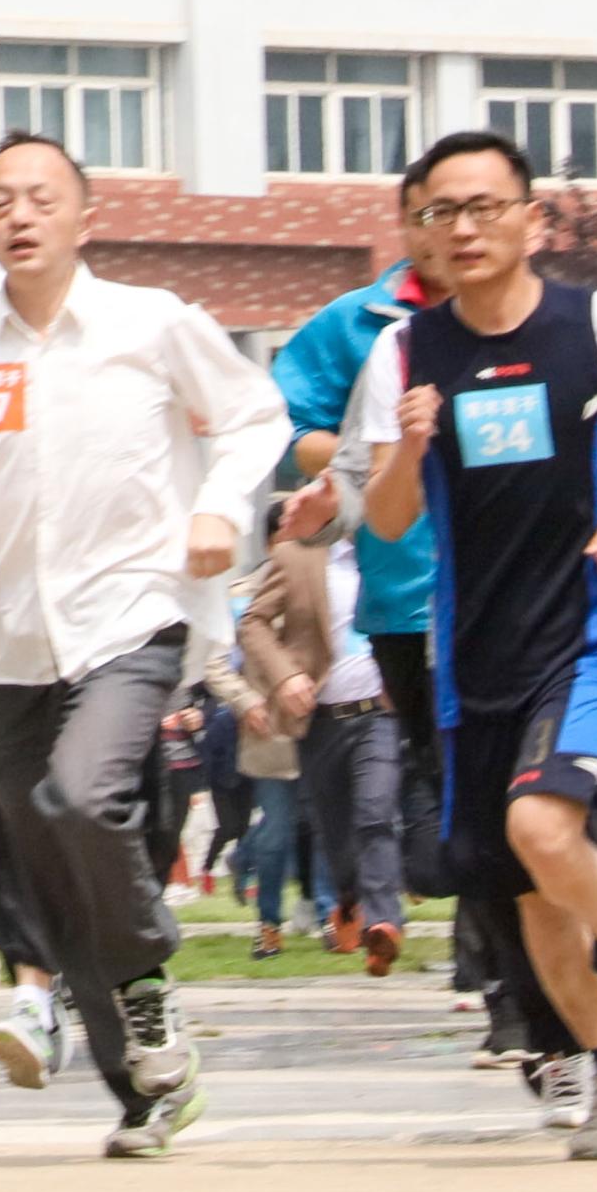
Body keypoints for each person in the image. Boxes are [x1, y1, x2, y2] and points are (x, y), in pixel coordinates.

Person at [0, 131, 280, 1156]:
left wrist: (222, 507)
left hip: (133, 614)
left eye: (41, 197)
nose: (20, 215)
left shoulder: (151, 322)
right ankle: (142, 1090)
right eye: (0, 199)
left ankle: (144, 981)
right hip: (5, 640)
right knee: (50, 869)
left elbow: (253, 415)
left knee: (82, 798)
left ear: (86, 217)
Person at [344, 128, 597, 1158]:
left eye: (483, 207)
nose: (462, 229)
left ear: (530, 219)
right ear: (418, 231)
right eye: (440, 212)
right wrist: (409, 445)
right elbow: (385, 520)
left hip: (589, 632)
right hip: (473, 656)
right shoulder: (403, 352)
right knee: (526, 893)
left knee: (545, 830)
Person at [262, 256, 430, 988]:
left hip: (385, 700)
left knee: (379, 815)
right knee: (338, 829)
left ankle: (390, 919)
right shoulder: (302, 548)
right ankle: (356, 900)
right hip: (327, 708)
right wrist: (281, 678)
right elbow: (253, 623)